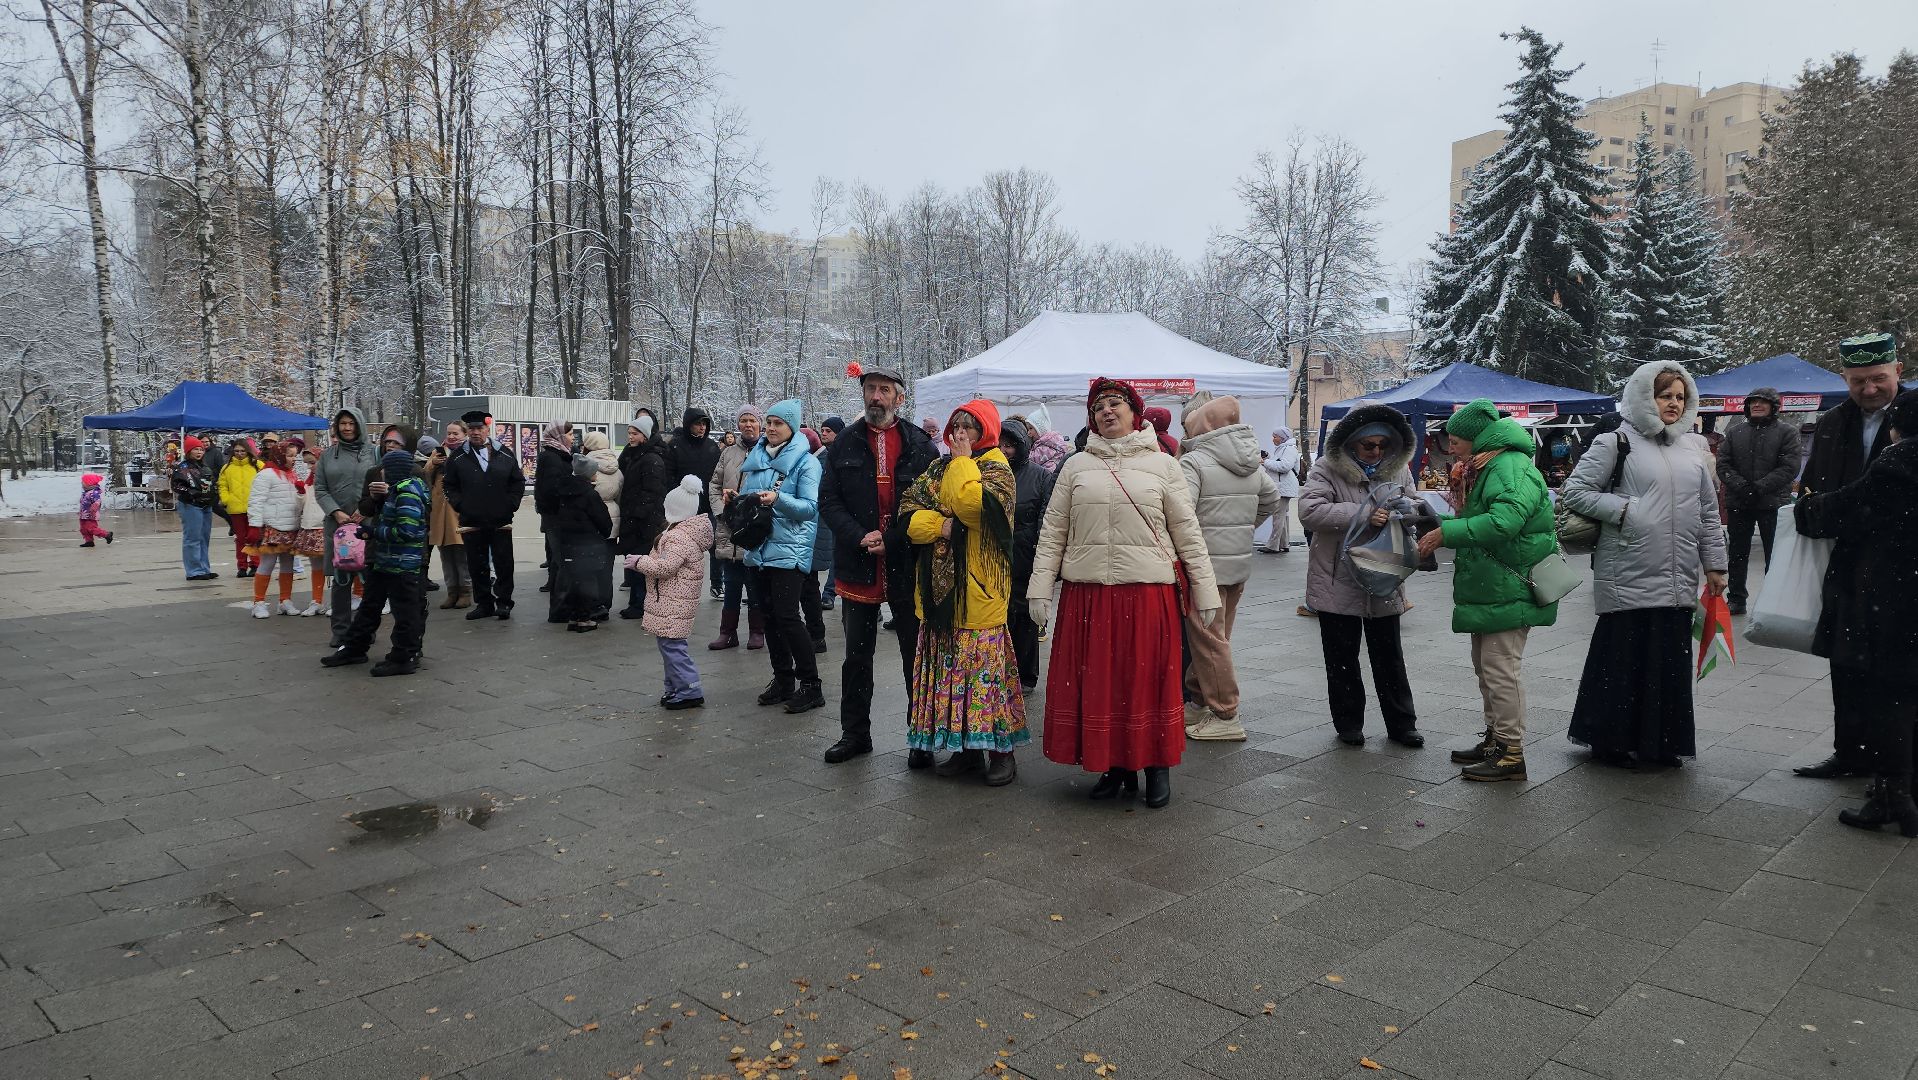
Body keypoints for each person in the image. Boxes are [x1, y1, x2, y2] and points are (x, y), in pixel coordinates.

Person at [1028, 378, 1221, 809]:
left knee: (1147, 682)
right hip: (1089, 595)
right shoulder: (1076, 467)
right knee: (1101, 684)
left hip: (1147, 593)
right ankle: (1115, 765)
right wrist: (1040, 588)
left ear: (1135, 412)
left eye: (1115, 404)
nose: (1106, 412)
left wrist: (1206, 591)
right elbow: (1053, 532)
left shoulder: (1164, 465)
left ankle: (1155, 766)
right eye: (1098, 408)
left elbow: (1187, 533)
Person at [1561, 362, 1728, 769]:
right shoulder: (1614, 442)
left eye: (1679, 396)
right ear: (1643, 397)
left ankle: (1661, 741)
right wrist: (1625, 510)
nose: (1673, 403)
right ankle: (1612, 739)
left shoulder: (1692, 451)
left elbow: (1708, 513)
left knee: (1668, 660)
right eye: (1664, 395)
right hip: (1628, 571)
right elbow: (1575, 492)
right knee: (1624, 657)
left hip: (1678, 576)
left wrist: (1716, 565)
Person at [1415, 398, 1558, 782]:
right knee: (1488, 668)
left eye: (1457, 440)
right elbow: (1484, 519)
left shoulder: (1508, 467)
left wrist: (1446, 531)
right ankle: (1496, 740)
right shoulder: (1492, 464)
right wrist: (1435, 519)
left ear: (1477, 438)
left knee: (1500, 670)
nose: (1452, 447)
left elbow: (1503, 522)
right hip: (1496, 583)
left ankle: (1511, 754)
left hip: (1510, 583)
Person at [1795, 390, 1918, 835]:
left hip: (1897, 602)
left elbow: (1840, 511)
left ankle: (1892, 796)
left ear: (1896, 427)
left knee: (1893, 698)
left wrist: (1807, 506)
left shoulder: (1899, 463)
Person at [1794, 332, 1905, 780]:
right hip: (1845, 562)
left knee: (1894, 673)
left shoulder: (1912, 416)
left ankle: (1895, 764)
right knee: (1846, 661)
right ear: (1845, 377)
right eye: (1858, 380)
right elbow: (1814, 483)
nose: (1869, 389)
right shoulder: (1832, 421)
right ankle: (1852, 753)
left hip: (1899, 564)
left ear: (1898, 371)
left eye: (1878, 378)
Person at [899, 400, 1028, 786]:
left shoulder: (996, 469)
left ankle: (1001, 752)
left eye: (969, 428)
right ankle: (965, 751)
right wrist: (940, 527)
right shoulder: (936, 468)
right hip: (940, 595)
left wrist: (960, 463)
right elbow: (908, 514)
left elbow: (973, 509)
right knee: (952, 679)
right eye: (955, 427)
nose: (959, 435)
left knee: (984, 680)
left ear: (985, 432)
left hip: (979, 595)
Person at [818, 365, 938, 764]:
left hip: (907, 562)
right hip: (857, 563)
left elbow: (933, 504)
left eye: (884, 390)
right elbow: (829, 501)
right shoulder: (843, 445)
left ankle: (920, 737)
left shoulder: (921, 445)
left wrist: (894, 539)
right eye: (870, 389)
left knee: (913, 655)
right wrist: (858, 535)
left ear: (899, 398)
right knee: (856, 657)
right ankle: (854, 735)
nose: (876, 396)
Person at [1296, 403, 1426, 748]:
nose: (1377, 452)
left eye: (1383, 445)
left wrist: (1408, 510)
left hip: (1384, 574)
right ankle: (1349, 723)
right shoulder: (1326, 469)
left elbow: (1413, 502)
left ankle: (1402, 724)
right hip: (1338, 577)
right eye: (1369, 445)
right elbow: (1310, 511)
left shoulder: (1397, 469)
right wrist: (1365, 513)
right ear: (1351, 443)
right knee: (1341, 659)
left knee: (1390, 658)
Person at [1178, 396, 1283, 742]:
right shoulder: (1250, 460)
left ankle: (1226, 714)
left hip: (1203, 567)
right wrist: (1243, 528)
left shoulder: (1194, 461)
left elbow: (1181, 515)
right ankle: (1199, 700)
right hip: (1236, 565)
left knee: (1209, 643)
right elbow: (1270, 498)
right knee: (1214, 640)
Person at [737, 399, 825, 713]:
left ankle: (811, 684)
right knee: (769, 617)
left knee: (788, 617)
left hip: (790, 549)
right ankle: (783, 679)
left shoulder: (807, 463)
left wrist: (778, 499)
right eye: (769, 422)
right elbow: (753, 499)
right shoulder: (757, 456)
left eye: (778, 423)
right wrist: (738, 499)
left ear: (792, 427)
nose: (771, 428)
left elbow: (809, 509)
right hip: (759, 548)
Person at [322, 448, 429, 676]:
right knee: (369, 606)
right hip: (385, 561)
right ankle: (354, 648)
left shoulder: (408, 493)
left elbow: (407, 531)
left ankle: (404, 657)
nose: (380, 473)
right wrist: (378, 501)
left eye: (384, 469)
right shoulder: (396, 491)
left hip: (402, 564)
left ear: (394, 471)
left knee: (405, 612)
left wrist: (372, 532)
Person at [627, 476, 715, 709]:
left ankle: (689, 690)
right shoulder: (680, 532)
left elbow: (666, 568)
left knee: (673, 647)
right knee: (669, 647)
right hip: (672, 600)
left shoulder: (678, 537)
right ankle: (675, 687)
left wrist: (639, 562)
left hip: (674, 601)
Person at [1714, 387, 1802, 615]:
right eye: (1753, 402)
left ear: (1773, 406)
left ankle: (1774, 601)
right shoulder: (1735, 432)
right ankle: (1736, 599)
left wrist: (1760, 487)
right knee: (1737, 554)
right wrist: (1743, 486)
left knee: (1775, 555)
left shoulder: (1787, 432)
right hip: (1739, 503)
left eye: (1763, 402)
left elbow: (1790, 466)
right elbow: (1723, 465)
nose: (1757, 405)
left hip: (1772, 503)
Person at [442, 410, 527, 620]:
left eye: (479, 428)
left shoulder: (504, 453)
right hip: (472, 520)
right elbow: (449, 485)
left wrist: (511, 504)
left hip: (501, 519)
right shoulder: (458, 457)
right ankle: (484, 604)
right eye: (471, 429)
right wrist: (460, 505)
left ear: (487, 429)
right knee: (477, 565)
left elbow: (517, 481)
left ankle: (504, 602)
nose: (475, 432)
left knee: (504, 563)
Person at [312, 408, 380, 644]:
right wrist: (336, 512)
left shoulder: (374, 453)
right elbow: (320, 489)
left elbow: (382, 483)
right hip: (338, 529)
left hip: (368, 526)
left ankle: (366, 630)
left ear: (359, 425)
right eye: (343, 424)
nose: (347, 428)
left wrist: (365, 509)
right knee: (341, 581)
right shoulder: (328, 456)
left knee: (370, 580)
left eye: (351, 423)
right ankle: (340, 631)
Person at [998, 416, 1055, 693]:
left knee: (1025, 621)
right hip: (995, 557)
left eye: (1010, 444)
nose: (1004, 449)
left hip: (1026, 556)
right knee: (999, 618)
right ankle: (999, 671)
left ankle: (1026, 676)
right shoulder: (988, 472)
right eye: (1000, 443)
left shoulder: (1040, 476)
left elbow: (1047, 519)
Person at [708, 405, 764, 650]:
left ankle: (757, 631)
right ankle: (728, 632)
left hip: (753, 528)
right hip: (728, 527)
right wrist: (722, 511)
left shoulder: (767, 452)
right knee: (731, 585)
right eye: (744, 420)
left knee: (754, 586)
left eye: (752, 420)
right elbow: (714, 485)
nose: (748, 425)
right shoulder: (728, 452)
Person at [244, 440, 311, 618]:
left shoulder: (291, 475)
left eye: (295, 456)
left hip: (290, 526)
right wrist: (254, 524)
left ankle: (285, 600)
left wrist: (300, 493)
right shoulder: (266, 475)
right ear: (280, 455)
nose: (293, 459)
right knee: (268, 563)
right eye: (290, 455)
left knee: (288, 565)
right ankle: (258, 602)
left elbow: (296, 503)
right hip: (273, 526)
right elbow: (255, 501)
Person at [550, 454, 615, 632]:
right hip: (588, 546)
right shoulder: (590, 494)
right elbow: (603, 521)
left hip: (568, 545)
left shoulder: (563, 492)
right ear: (589, 474)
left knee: (574, 581)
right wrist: (604, 532)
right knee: (588, 583)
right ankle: (585, 618)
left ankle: (574, 616)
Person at [617, 411, 671, 620]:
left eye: (635, 433)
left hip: (644, 522)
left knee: (642, 563)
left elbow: (652, 492)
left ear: (645, 436)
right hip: (636, 519)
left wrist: (637, 514)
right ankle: (636, 602)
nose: (631, 437)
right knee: (636, 562)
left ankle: (640, 603)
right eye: (629, 433)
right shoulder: (637, 456)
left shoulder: (651, 459)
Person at [421, 429, 469, 610]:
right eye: (449, 433)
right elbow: (424, 474)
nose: (451, 437)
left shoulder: (467, 452)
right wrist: (432, 463)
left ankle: (465, 591)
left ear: (464, 435)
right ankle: (452, 592)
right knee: (445, 554)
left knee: (461, 553)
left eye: (456, 433)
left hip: (457, 511)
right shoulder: (439, 451)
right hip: (439, 511)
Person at [532, 421, 575, 616]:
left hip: (557, 517)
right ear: (559, 436)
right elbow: (551, 490)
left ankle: (561, 607)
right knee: (562, 562)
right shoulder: (552, 458)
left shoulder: (559, 455)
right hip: (557, 518)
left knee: (560, 562)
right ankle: (560, 608)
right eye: (570, 434)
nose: (572, 438)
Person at [799, 427, 830, 653]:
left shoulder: (814, 464)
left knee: (808, 586)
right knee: (808, 586)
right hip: (808, 532)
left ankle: (816, 634)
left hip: (810, 531)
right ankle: (815, 633)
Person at [171, 436, 219, 580]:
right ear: (188, 451)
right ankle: (193, 570)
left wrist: (214, 495)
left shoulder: (205, 467)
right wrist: (191, 493)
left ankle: (204, 568)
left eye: (201, 449)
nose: (199, 452)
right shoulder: (183, 468)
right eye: (195, 449)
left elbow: (210, 484)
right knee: (192, 537)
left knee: (204, 537)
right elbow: (176, 485)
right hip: (191, 504)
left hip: (206, 505)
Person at [219, 438, 261, 577]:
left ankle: (255, 564)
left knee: (253, 537)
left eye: (242, 451)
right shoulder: (227, 468)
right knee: (241, 538)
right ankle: (242, 566)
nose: (239, 453)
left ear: (248, 451)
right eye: (236, 451)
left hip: (254, 507)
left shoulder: (258, 465)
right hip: (235, 508)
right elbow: (222, 485)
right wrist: (226, 499)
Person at [1258, 428, 1302, 554]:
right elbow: (1280, 463)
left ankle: (1273, 545)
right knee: (1281, 515)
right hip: (1283, 486)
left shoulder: (1288, 449)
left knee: (1278, 516)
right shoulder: (1285, 448)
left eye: (1275, 436)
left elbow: (1284, 466)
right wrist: (1268, 458)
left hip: (1283, 487)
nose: (1273, 439)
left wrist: (1265, 462)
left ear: (1283, 437)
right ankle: (1284, 543)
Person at [817, 416, 844, 607]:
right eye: (822, 430)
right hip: (823, 509)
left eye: (829, 431)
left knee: (837, 552)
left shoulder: (844, 455)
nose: (824, 434)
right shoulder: (819, 456)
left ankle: (829, 593)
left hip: (841, 511)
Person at [1026, 404, 1072, 473]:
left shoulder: (1047, 445)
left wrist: (1022, 453)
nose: (1028, 433)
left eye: (1031, 428)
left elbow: (1032, 459)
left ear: (1040, 429)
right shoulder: (1050, 442)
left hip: (1048, 476)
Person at [77, 473, 112, 547]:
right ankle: (89, 541)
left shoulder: (94, 492)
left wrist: (94, 506)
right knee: (83, 529)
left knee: (91, 528)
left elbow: (97, 501)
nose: (82, 484)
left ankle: (106, 534)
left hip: (91, 515)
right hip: (84, 514)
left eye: (83, 482)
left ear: (89, 483)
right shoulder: (85, 493)